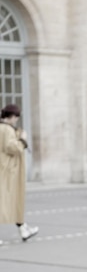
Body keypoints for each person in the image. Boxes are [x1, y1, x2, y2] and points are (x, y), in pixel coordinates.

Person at [0, 104, 38, 242]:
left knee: (12, 202)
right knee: (7, 201)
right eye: (16, 117)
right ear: (11, 116)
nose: (16, 120)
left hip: (6, 170)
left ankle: (23, 229)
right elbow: (12, 147)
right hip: (8, 171)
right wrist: (23, 139)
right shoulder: (6, 129)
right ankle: (23, 229)